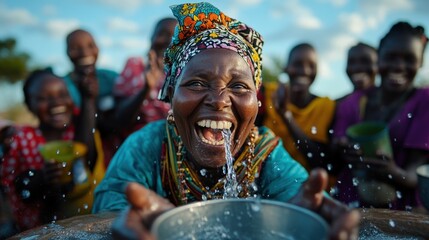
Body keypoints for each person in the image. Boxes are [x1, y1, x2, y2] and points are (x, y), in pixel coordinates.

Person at [92, 2, 360, 239]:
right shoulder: (146, 147)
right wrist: (121, 222)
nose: (219, 100)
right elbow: (107, 214)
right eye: (196, 83)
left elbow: (301, 196)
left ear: (257, 101)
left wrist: (301, 221)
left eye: (240, 87)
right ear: (171, 96)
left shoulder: (266, 154)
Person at [332, 21, 429, 210]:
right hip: (347, 205)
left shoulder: (424, 101)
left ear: (421, 62)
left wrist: (390, 171)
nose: (399, 66)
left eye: (409, 59)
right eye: (391, 57)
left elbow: (414, 177)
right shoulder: (352, 103)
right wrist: (343, 148)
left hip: (400, 211)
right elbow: (335, 153)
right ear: (379, 59)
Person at [0, 69, 105, 232]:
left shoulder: (79, 129)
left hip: (83, 224)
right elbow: (20, 188)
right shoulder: (22, 139)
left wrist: (88, 98)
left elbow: (86, 157)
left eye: (63, 94)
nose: (56, 102)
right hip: (37, 230)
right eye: (43, 98)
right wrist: (42, 178)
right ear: (29, 105)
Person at [261, 43, 337, 187]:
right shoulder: (269, 94)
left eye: (311, 66)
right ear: (286, 68)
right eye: (297, 64)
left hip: (308, 186)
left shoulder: (325, 106)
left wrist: (286, 116)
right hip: (268, 184)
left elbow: (319, 161)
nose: (305, 71)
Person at [63, 29, 119, 166]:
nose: (84, 52)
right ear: (67, 52)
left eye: (90, 45)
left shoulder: (111, 77)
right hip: (82, 151)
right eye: (75, 48)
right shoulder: (62, 86)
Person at [113, 17, 177, 137]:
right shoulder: (135, 65)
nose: (169, 41)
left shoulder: (190, 74)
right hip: (139, 146)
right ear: (151, 37)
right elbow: (119, 120)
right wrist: (146, 89)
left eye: (176, 36)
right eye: (162, 34)